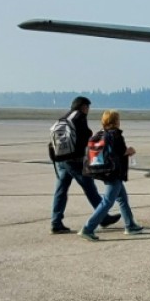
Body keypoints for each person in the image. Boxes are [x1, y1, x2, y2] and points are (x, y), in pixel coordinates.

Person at [49, 96, 119, 234]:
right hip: (74, 161)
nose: (88, 110)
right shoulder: (79, 117)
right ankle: (103, 217)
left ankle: (56, 222)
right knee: (90, 188)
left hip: (61, 159)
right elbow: (84, 136)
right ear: (83, 107)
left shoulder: (64, 117)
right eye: (87, 107)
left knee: (61, 191)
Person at [78, 110, 144, 241]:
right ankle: (88, 228)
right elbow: (120, 152)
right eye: (118, 119)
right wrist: (130, 151)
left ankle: (130, 225)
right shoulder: (116, 135)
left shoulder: (101, 134)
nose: (120, 122)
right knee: (107, 202)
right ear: (115, 121)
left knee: (122, 199)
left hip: (106, 171)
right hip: (114, 173)